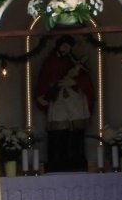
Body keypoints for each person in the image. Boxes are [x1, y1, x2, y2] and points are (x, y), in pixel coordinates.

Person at [35, 36, 95, 171]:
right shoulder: (50, 62)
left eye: (68, 47)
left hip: (74, 99)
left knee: (76, 131)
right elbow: (44, 80)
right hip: (58, 100)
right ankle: (57, 163)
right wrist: (53, 87)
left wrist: (74, 82)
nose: (66, 49)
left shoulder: (72, 60)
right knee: (58, 131)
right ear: (59, 45)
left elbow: (85, 78)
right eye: (64, 46)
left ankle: (76, 162)